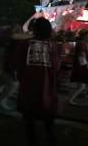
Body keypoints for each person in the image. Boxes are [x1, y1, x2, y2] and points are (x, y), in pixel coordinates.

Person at [17, 18, 59, 146]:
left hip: (28, 84)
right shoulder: (52, 45)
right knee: (48, 117)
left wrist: (21, 78)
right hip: (47, 85)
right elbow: (56, 66)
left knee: (28, 116)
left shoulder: (25, 43)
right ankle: (51, 140)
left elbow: (19, 64)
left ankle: (32, 142)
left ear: (34, 29)